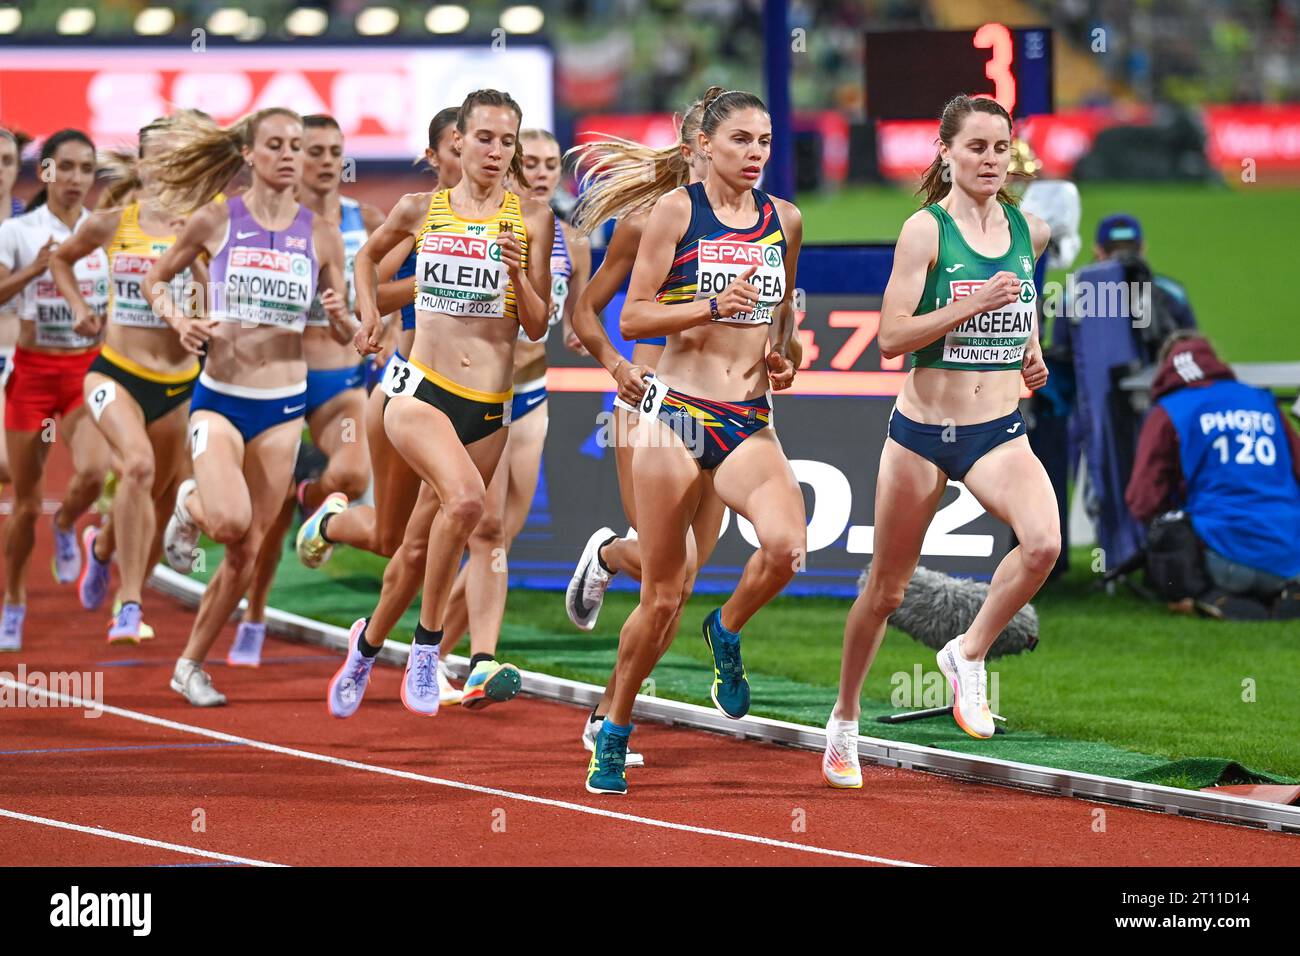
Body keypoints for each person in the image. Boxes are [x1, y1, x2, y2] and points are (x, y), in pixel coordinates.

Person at [822, 94, 1054, 789]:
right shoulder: (924, 232)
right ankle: (844, 719)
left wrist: (1029, 352)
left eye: (999, 148)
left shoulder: (1030, 229)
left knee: (1042, 544)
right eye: (976, 147)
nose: (989, 160)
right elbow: (892, 338)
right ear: (946, 151)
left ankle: (968, 653)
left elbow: (1021, 304)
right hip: (923, 436)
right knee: (887, 592)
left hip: (997, 431)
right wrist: (969, 305)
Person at [584, 87, 804, 796]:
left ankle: (728, 630)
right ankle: (614, 728)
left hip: (746, 416)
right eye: (741, 139)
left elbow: (784, 325)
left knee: (785, 549)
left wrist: (785, 356)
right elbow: (637, 318)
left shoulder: (786, 221)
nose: (755, 153)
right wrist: (712, 303)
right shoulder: (676, 212)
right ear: (703, 145)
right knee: (664, 591)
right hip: (671, 410)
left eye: (764, 141)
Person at [323, 89, 550, 720]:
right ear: (460, 142)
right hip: (420, 391)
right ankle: (426, 650)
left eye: (508, 142)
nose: (496, 151)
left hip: (489, 407)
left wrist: (520, 276)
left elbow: (536, 324)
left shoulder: (531, 218)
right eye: (484, 139)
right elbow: (367, 261)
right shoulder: (422, 208)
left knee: (418, 547)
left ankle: (366, 647)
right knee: (471, 505)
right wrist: (370, 317)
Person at [147, 107, 350, 705]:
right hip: (221, 398)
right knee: (230, 521)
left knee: (246, 548)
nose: (291, 156)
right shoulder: (216, 219)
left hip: (283, 405)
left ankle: (190, 665)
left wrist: (341, 318)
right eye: (277, 145)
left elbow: (342, 329)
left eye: (299, 147)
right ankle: (188, 502)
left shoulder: (320, 233)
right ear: (249, 154)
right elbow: (156, 280)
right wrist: (180, 320)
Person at [563, 96, 722, 765]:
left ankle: (607, 712)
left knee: (679, 588)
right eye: (725, 141)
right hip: (652, 404)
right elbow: (586, 311)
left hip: (726, 410)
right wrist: (614, 363)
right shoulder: (647, 222)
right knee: (671, 572)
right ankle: (606, 556)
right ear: (693, 150)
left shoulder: (763, 224)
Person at [435, 128, 591, 706]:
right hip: (479, 394)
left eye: (555, 163)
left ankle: (442, 656)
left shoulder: (568, 233)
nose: (546, 172)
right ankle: (460, 658)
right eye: (536, 162)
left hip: (534, 392)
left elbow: (579, 308)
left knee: (503, 534)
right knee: (483, 529)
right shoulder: (495, 221)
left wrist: (581, 331)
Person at [230, 113, 385, 666]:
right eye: (312, 150)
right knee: (261, 520)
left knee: (352, 475)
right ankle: (254, 614)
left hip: (341, 377)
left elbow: (385, 287)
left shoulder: (363, 219)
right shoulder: (277, 223)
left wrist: (377, 323)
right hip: (275, 379)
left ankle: (311, 502)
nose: (323, 161)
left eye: (332, 150)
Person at [49, 115, 209, 643]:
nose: (167, 163)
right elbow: (61, 261)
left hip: (178, 384)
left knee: (158, 495)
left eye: (176, 153)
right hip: (115, 372)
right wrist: (79, 308)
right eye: (158, 154)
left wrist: (206, 317)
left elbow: (214, 288)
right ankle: (130, 604)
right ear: (140, 163)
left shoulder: (201, 224)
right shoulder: (112, 222)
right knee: (136, 466)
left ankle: (101, 549)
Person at [0, 129, 112, 651]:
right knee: (24, 504)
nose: (74, 179)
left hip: (84, 372)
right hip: (32, 372)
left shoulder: (102, 231)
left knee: (94, 471)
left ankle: (67, 523)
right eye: (63, 167)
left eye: (85, 169)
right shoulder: (19, 231)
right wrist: (36, 269)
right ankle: (16, 599)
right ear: (44, 172)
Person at [1126, 332, 1300, 616]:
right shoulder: (1263, 400)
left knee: (1169, 526)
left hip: (1225, 560)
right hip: (1290, 553)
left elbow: (1142, 500)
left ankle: (1208, 596)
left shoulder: (1170, 411)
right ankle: (1283, 591)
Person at [0, 126, 31, 490]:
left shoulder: (33, 224)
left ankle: (68, 522)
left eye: (7, 161)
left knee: (14, 466)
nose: (1, 169)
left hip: (21, 356)